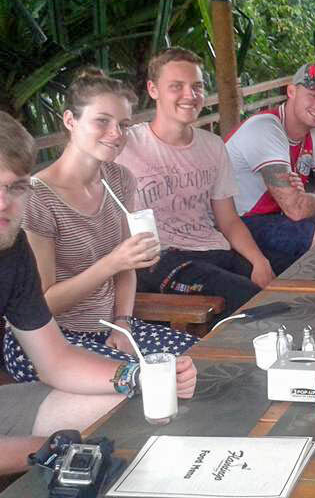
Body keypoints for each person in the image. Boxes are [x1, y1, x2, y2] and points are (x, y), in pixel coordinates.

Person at [0, 111, 197, 475]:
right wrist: (48, 450)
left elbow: (56, 361)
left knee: (148, 404)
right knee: (91, 454)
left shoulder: (12, 252)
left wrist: (135, 377)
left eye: (15, 187)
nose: (2, 203)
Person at [3, 71, 197, 383]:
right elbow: (43, 302)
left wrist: (123, 322)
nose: (116, 134)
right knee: (157, 383)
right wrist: (113, 262)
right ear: (70, 120)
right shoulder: (37, 197)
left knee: (201, 360)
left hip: (112, 330)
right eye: (102, 121)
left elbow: (126, 269)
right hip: (51, 341)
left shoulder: (119, 180)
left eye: (123, 125)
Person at [116, 47, 272, 315]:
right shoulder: (124, 145)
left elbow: (229, 220)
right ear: (153, 90)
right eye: (176, 86)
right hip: (159, 260)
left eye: (197, 86)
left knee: (280, 282)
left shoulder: (212, 146)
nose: (190, 95)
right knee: (252, 301)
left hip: (212, 249)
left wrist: (259, 261)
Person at [225, 62, 315, 274]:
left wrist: (311, 200)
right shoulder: (265, 128)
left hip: (278, 215)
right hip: (240, 222)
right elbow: (298, 209)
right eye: (313, 95)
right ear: (291, 91)